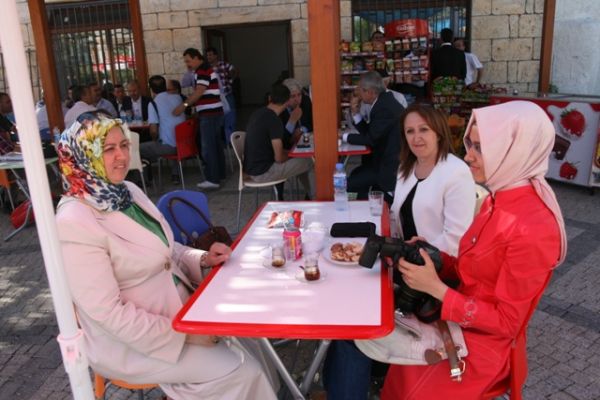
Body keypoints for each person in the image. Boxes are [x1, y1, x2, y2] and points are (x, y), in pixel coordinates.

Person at [55, 112, 279, 400]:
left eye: (124, 145)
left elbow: (163, 248)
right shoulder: (75, 220)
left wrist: (202, 258)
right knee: (242, 371)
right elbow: (108, 314)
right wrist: (186, 334)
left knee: (251, 336)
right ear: (83, 156)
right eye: (108, 149)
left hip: (179, 308)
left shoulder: (126, 191)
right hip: (134, 345)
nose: (121, 156)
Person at [381, 101, 567, 399]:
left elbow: (507, 323)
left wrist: (438, 289)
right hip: (456, 322)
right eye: (470, 144)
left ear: (514, 150)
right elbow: (472, 266)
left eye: (480, 147)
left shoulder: (533, 226)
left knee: (405, 381)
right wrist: (434, 256)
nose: (468, 155)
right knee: (393, 360)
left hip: (481, 347)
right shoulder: (498, 198)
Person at [323, 104, 475, 400]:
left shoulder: (456, 172)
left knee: (355, 322)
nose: (417, 137)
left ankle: (349, 384)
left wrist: (419, 251)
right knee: (347, 299)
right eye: (410, 131)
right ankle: (341, 383)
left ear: (439, 132)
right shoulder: (409, 167)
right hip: (406, 265)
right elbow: (395, 214)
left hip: (434, 278)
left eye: (424, 130)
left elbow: (457, 241)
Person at [342, 71, 404, 201]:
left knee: (350, 183)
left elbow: (370, 139)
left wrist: (343, 136)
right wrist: (355, 112)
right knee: (355, 174)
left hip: (389, 168)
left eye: (361, 90)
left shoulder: (384, 107)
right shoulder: (383, 101)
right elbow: (371, 133)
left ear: (370, 92)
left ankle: (361, 206)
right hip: (382, 161)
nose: (359, 94)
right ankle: (362, 204)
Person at [244, 83, 313, 199]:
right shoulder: (274, 120)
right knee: (309, 161)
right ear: (287, 102)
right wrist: (292, 155)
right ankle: (316, 198)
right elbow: (279, 158)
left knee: (301, 161)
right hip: (264, 172)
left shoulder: (257, 113)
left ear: (270, 98)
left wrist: (292, 154)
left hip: (252, 169)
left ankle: (310, 196)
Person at [173, 48, 226, 190]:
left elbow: (199, 92)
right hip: (214, 113)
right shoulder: (204, 69)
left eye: (188, 61)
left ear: (197, 58)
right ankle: (220, 174)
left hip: (209, 114)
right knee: (216, 145)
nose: (187, 64)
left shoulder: (202, 71)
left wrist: (183, 106)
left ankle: (212, 179)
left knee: (208, 147)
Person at [141, 75, 186, 183]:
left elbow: (153, 131)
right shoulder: (178, 97)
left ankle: (144, 181)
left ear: (151, 89)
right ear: (165, 86)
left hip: (169, 147)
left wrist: (154, 140)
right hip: (185, 144)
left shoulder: (153, 103)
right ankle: (175, 174)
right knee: (172, 136)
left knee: (136, 149)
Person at [206, 46, 238, 143]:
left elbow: (235, 71)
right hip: (215, 98)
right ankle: (221, 143)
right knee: (218, 120)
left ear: (216, 55)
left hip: (227, 95)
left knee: (230, 118)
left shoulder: (224, 64)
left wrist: (230, 78)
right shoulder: (206, 68)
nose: (208, 57)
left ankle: (231, 142)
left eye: (210, 55)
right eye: (207, 55)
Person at [279, 78, 313, 149]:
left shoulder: (306, 101)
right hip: (288, 149)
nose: (297, 99)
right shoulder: (280, 109)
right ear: (285, 97)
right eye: (292, 96)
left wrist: (302, 129)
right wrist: (292, 121)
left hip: (306, 143)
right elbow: (282, 139)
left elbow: (313, 123)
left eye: (299, 95)